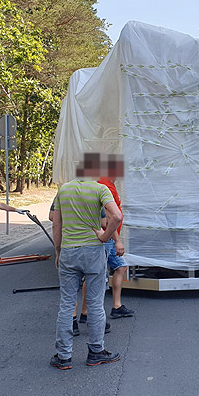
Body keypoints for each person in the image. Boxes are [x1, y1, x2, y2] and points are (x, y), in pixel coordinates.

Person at [50, 152, 123, 370]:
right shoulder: (100, 189)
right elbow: (116, 217)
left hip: (70, 252)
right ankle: (96, 352)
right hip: (93, 253)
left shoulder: (63, 190)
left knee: (66, 304)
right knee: (95, 304)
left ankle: (63, 357)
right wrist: (104, 236)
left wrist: (58, 251)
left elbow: (56, 224)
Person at [98, 158, 134, 319]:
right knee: (97, 275)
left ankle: (116, 306)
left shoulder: (111, 184)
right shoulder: (105, 184)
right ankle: (88, 313)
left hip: (111, 237)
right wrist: (117, 240)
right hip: (107, 237)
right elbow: (111, 217)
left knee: (121, 267)